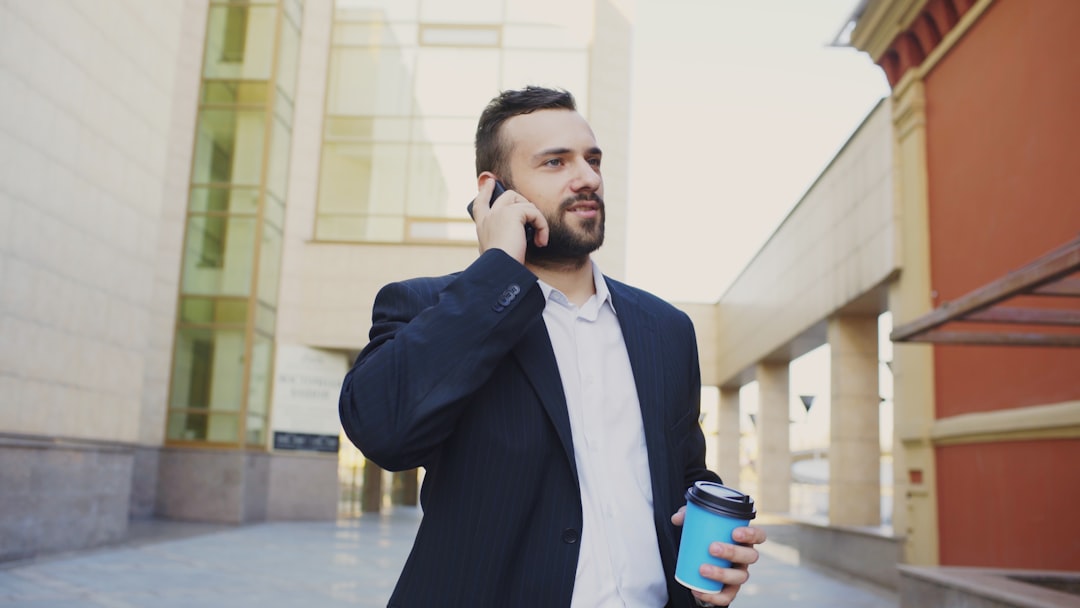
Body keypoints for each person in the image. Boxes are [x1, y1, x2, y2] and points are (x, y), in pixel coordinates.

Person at [339, 86, 766, 607]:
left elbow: (679, 477)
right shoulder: (428, 307)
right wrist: (496, 268)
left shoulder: (666, 329)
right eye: (555, 162)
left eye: (592, 160)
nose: (587, 178)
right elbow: (384, 432)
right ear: (495, 191)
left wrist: (710, 562)